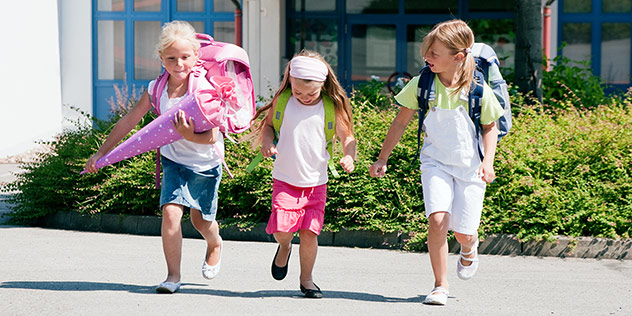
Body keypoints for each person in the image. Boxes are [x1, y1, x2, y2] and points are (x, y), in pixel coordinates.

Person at [368, 19, 504, 306]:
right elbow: (401, 122)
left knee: (463, 233)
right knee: (437, 220)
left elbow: (490, 126)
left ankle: (470, 247)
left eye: (433, 53)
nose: (426, 57)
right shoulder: (423, 83)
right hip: (435, 164)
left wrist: (488, 162)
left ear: (457, 57)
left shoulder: (477, 89)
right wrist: (383, 157)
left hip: (471, 168)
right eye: (426, 51)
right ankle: (439, 285)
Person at [85, 21, 224, 294]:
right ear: (161, 58)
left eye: (185, 57)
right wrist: (102, 152)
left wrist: (187, 134)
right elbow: (129, 121)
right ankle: (173, 277)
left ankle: (215, 243)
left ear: (196, 57)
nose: (179, 63)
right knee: (171, 214)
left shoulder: (204, 89)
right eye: (171, 58)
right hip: (174, 161)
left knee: (201, 221)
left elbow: (211, 137)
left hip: (205, 163)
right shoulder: (155, 89)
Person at [250, 50, 356, 298]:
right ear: (290, 82)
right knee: (283, 231)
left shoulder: (330, 107)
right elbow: (267, 126)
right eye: (298, 92)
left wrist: (349, 155)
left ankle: (307, 280)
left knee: (310, 234)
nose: (304, 98)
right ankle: (284, 246)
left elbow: (347, 136)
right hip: (286, 179)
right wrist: (267, 142)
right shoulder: (283, 101)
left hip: (316, 182)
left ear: (323, 85)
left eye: (311, 93)